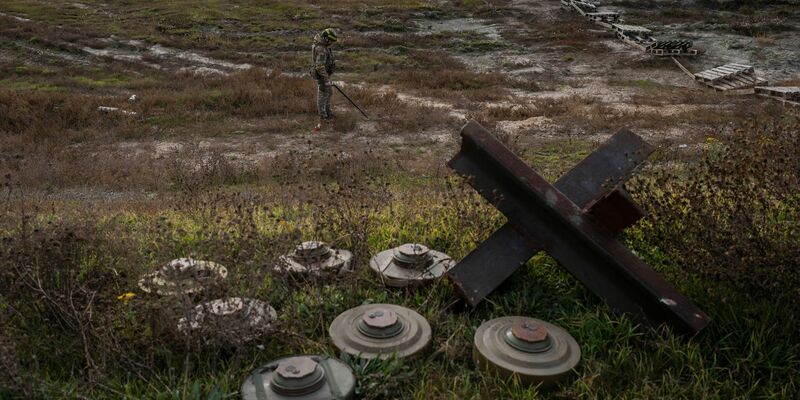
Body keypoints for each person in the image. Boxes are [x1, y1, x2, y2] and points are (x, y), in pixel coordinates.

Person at [311, 28, 337, 132]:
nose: (332, 43)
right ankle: (323, 116)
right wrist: (326, 79)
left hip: (325, 73)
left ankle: (328, 113)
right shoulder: (321, 49)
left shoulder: (325, 46)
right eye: (331, 40)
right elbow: (319, 66)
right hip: (322, 75)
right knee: (323, 94)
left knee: (329, 92)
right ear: (326, 38)